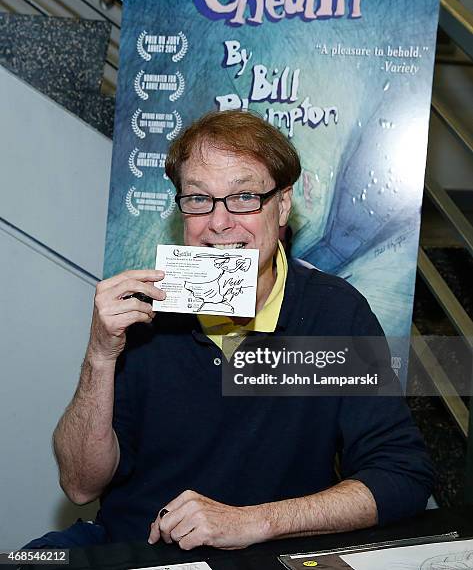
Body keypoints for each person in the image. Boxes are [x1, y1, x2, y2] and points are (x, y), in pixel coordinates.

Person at [49, 110, 432, 550]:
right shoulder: (142, 312)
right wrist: (100, 354)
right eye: (198, 199)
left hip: (271, 555)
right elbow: (79, 485)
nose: (219, 222)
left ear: (283, 204)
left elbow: (401, 475)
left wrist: (252, 523)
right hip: (139, 551)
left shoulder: (334, 314)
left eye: (244, 196)